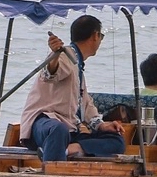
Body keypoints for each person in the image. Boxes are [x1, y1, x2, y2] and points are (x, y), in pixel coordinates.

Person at [18, 14, 126, 162]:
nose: (100, 40)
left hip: (70, 130)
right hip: (44, 124)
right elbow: (50, 74)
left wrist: (102, 126)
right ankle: (53, 172)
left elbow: (86, 106)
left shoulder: (78, 65)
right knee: (58, 129)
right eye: (101, 36)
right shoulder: (66, 55)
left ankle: (69, 150)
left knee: (116, 141)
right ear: (95, 35)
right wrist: (54, 55)